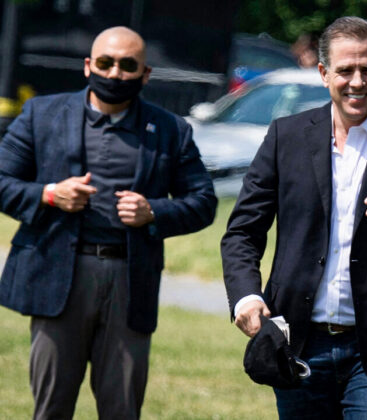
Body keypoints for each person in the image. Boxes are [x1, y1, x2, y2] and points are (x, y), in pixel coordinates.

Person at [221, 16, 367, 419]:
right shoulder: (286, 137)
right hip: (297, 341)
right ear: (323, 73)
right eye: (345, 70)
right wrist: (246, 295)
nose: (357, 82)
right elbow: (242, 231)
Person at [0, 26, 217, 419]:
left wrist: (154, 211)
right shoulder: (41, 114)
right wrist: (49, 194)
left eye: (127, 65)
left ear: (145, 74)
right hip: (58, 276)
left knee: (122, 408)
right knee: (50, 408)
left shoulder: (170, 130)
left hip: (129, 280)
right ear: (88, 67)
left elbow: (203, 203)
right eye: (105, 63)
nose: (115, 73)